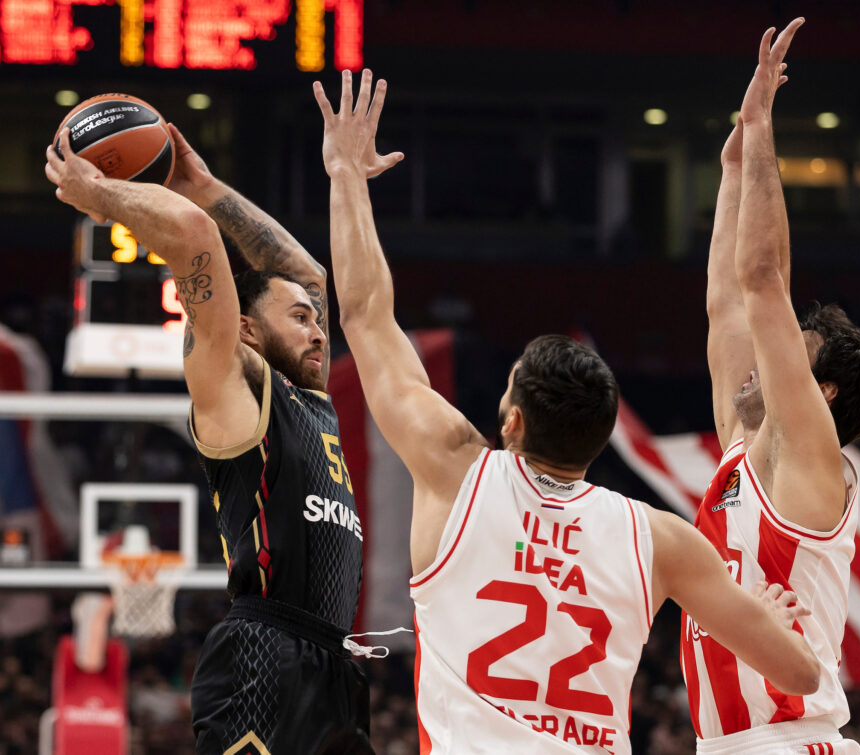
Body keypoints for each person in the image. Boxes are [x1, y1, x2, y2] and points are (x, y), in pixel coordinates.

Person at [313, 68, 820, 754]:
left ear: (513, 419)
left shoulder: (456, 468)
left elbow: (366, 316)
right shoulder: (659, 538)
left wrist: (346, 173)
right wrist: (767, 618)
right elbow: (798, 671)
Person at [45, 122, 395, 753]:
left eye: (317, 321)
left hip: (333, 664)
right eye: (299, 319)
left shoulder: (310, 399)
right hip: (265, 655)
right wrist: (97, 194)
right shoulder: (235, 385)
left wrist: (203, 186)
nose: (319, 331)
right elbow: (194, 239)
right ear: (247, 331)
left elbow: (306, 273)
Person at [690, 18, 860, 755]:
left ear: (824, 393)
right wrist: (731, 170)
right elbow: (726, 303)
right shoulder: (743, 454)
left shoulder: (805, 458)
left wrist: (760, 128)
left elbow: (760, 280)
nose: (760, 363)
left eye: (789, 353)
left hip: (793, 740)